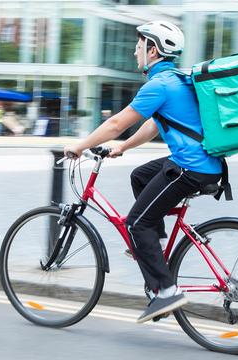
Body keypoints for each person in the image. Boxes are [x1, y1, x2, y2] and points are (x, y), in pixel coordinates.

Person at [63, 21, 223, 323]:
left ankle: (166, 291)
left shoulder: (159, 84)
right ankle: (155, 244)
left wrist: (79, 145)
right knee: (140, 175)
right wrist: (123, 148)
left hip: (190, 168)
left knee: (136, 223)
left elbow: (115, 124)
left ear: (153, 50)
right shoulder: (175, 80)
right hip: (203, 163)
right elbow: (154, 125)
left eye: (139, 46)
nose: (135, 51)